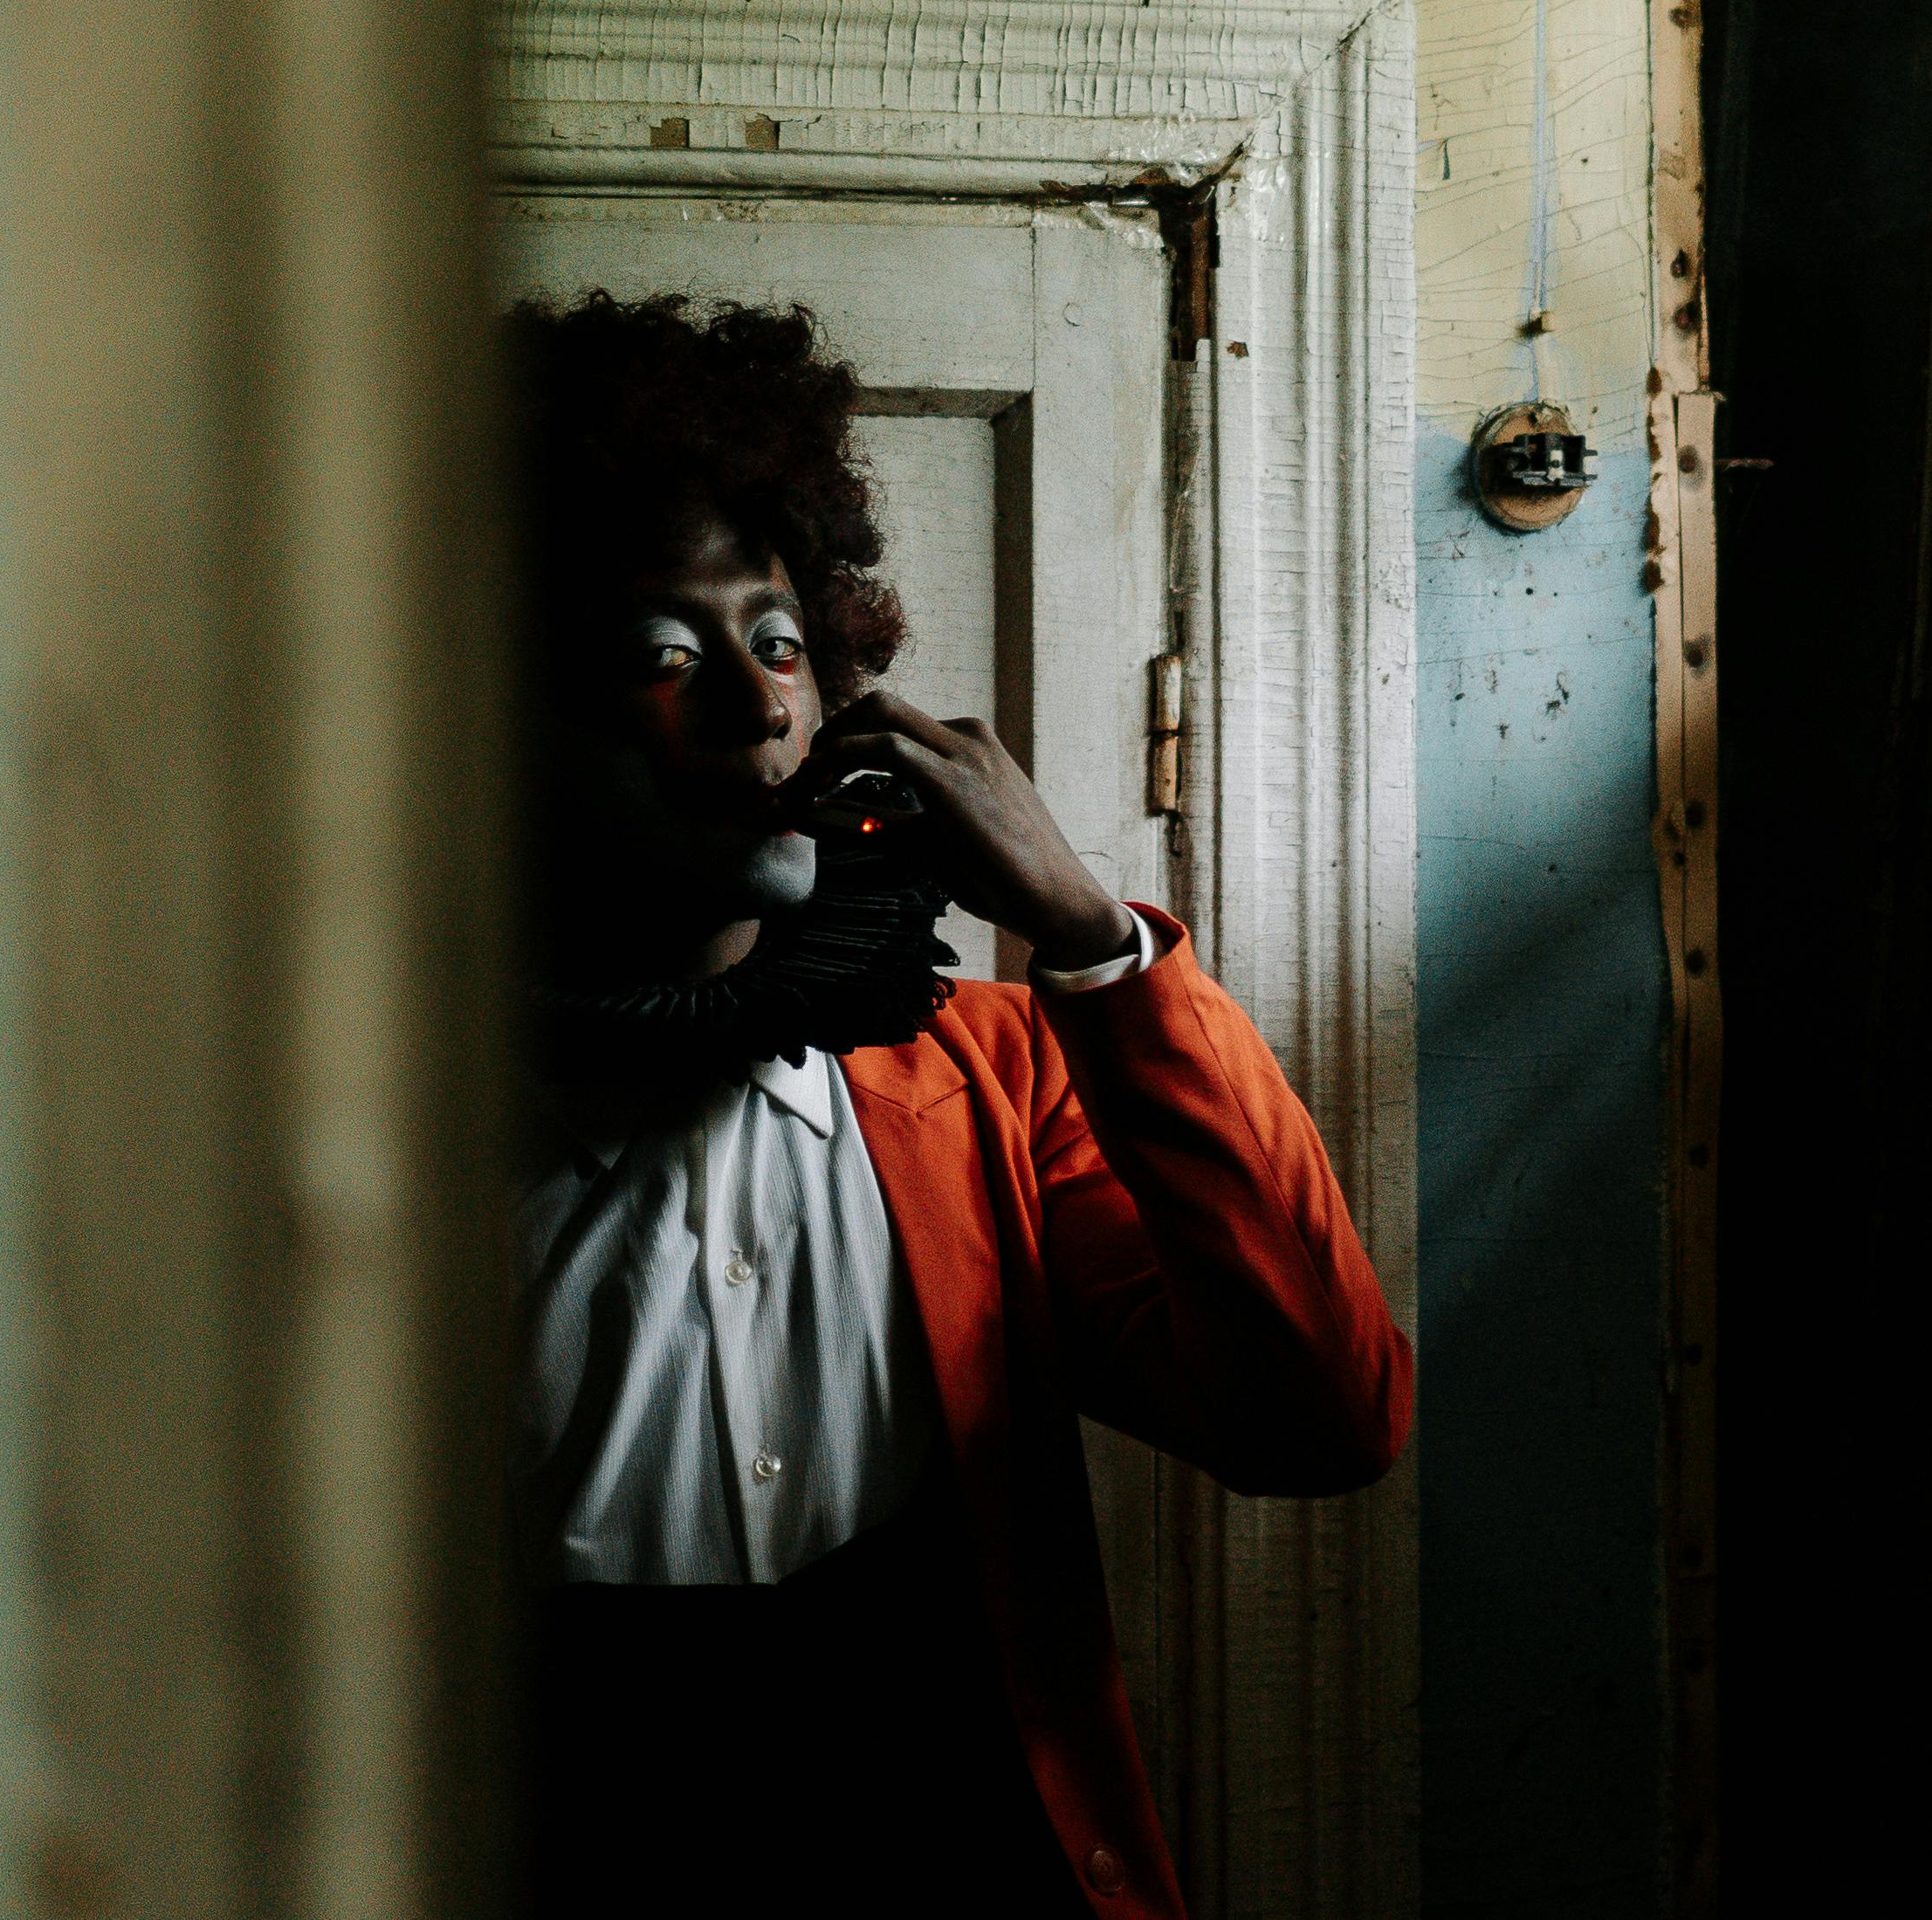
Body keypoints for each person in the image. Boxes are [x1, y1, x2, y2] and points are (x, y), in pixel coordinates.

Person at [510, 292, 1408, 1920]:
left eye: (777, 639)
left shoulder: (988, 1075)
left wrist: (1095, 944)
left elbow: (1322, 1416)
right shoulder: (356, 1115)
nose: (756, 703)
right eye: (664, 654)